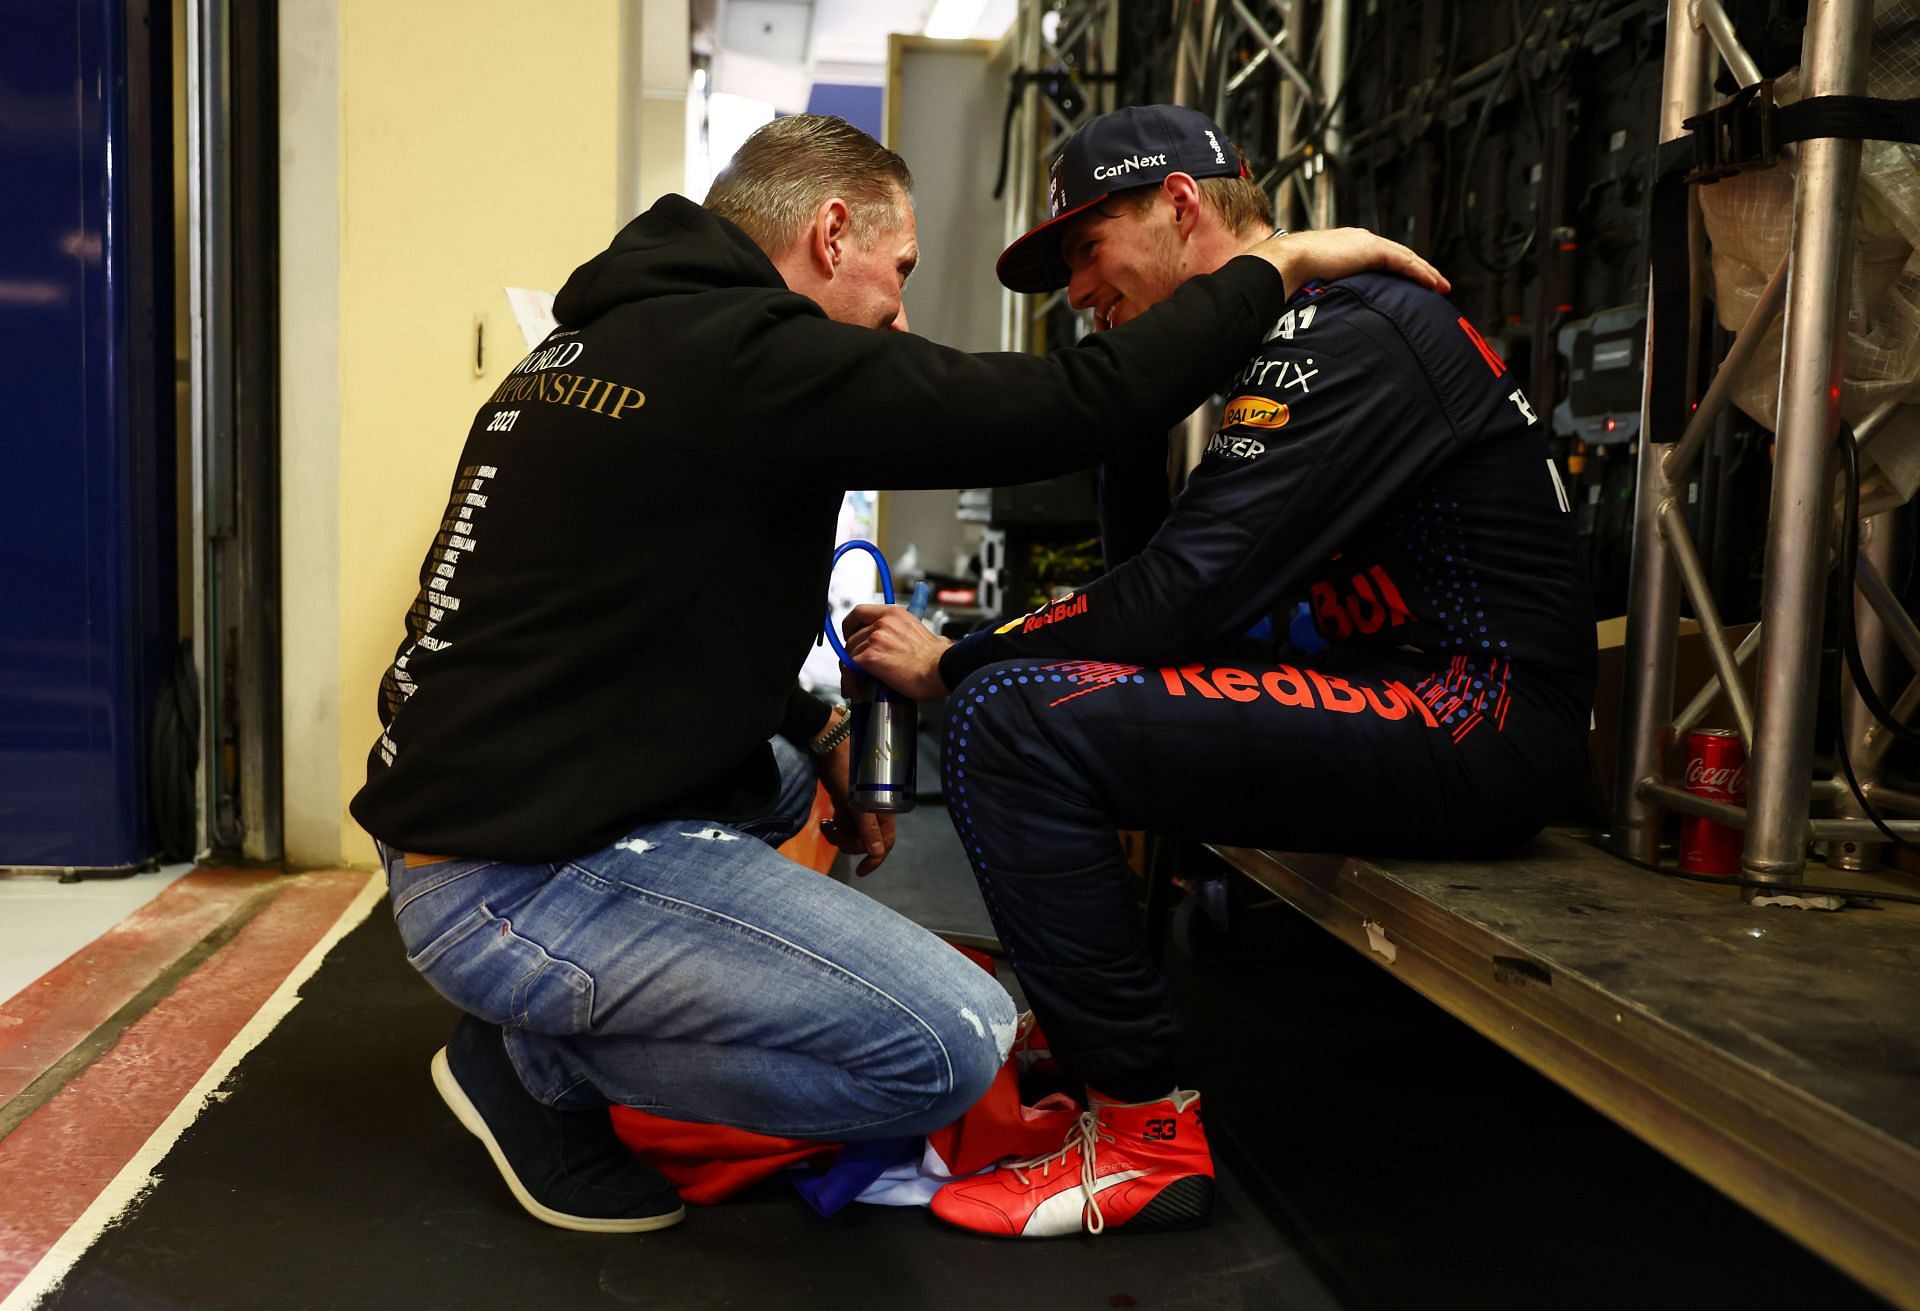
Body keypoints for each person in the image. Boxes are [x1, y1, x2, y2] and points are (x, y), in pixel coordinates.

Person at [347, 112, 1446, 1235]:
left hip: (472, 821)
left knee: (783, 773)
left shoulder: (604, 348)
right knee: (951, 1045)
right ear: (831, 233)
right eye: (901, 271)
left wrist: (820, 729)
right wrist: (1278, 265)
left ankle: (586, 986)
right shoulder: (744, 353)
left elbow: (638, 608)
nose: (903, 314)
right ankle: (542, 1070)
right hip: (512, 882)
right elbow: (1071, 407)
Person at [844, 104, 1596, 1239]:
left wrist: (961, 658)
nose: (1079, 294)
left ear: (1182, 207)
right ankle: (1090, 1036)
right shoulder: (1282, 339)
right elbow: (1152, 582)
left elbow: (1170, 602)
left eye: (1089, 251)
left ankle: (1141, 1136)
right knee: (1042, 701)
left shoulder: (1340, 331)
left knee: (1009, 714)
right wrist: (1136, 401)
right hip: (1394, 691)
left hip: (1476, 717)